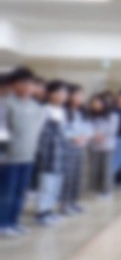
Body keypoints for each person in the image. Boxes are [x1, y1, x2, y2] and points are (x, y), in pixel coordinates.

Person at [0, 68, 47, 237]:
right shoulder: (5, 103)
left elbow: (37, 132)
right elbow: (1, 130)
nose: (27, 86)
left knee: (20, 192)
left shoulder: (37, 107)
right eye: (22, 83)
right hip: (9, 157)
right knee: (6, 192)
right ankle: (3, 224)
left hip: (28, 156)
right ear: (14, 85)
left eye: (30, 83)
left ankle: (14, 221)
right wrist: (2, 153)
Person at [34, 80, 69, 227]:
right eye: (59, 92)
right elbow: (38, 132)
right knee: (46, 183)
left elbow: (65, 131)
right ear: (50, 94)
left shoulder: (63, 111)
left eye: (65, 93)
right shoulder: (44, 110)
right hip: (48, 152)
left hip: (60, 152)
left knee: (56, 183)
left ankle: (49, 210)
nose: (63, 96)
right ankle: (41, 212)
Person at [62, 84, 92, 214]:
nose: (81, 97)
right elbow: (62, 129)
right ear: (70, 96)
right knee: (67, 177)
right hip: (67, 148)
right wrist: (74, 137)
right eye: (78, 94)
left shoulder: (82, 112)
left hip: (80, 147)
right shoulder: (64, 111)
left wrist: (85, 136)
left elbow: (89, 127)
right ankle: (64, 204)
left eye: (82, 95)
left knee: (77, 176)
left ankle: (73, 202)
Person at [87, 94, 119, 196]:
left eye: (98, 103)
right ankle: (94, 188)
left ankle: (106, 190)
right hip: (94, 145)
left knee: (106, 168)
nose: (96, 105)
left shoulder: (113, 116)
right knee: (94, 168)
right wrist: (94, 134)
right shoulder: (89, 116)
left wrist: (101, 134)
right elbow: (87, 127)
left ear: (104, 104)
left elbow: (112, 129)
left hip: (107, 145)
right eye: (93, 103)